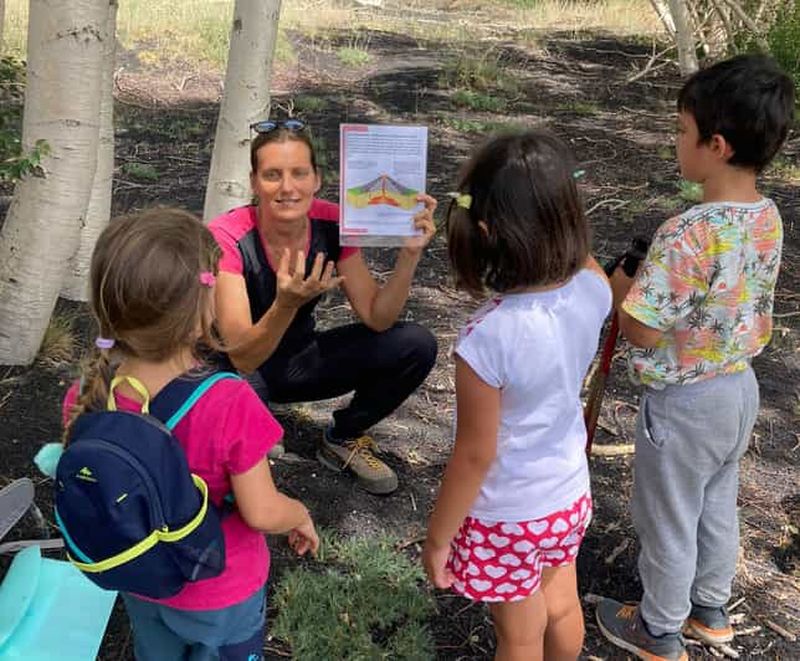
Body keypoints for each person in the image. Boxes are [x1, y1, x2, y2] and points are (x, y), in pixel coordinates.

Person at [595, 54, 795, 661]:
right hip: (738, 390)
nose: (675, 143)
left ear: (716, 144)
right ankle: (710, 608)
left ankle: (657, 629)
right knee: (715, 501)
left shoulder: (688, 232)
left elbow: (643, 332)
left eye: (681, 132)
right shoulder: (767, 216)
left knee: (668, 516)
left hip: (683, 403)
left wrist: (622, 291)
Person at [62, 208, 319, 660]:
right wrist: (298, 514)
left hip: (142, 576)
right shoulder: (227, 402)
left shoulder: (88, 392)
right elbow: (260, 512)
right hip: (221, 589)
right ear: (202, 311)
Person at [422, 131, 612, 661]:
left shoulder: (487, 340)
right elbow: (583, 257)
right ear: (568, 218)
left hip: (508, 513)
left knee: (519, 633)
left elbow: (475, 454)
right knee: (562, 604)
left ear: (485, 233)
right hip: (567, 495)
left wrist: (440, 536)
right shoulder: (592, 290)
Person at [209, 119, 438, 496]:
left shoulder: (333, 222)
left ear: (317, 179)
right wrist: (286, 305)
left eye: (299, 173)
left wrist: (409, 256)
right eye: (272, 175)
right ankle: (251, 434)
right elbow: (242, 356)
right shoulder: (228, 236)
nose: (287, 187)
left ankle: (342, 437)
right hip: (234, 370)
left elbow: (377, 318)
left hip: (299, 361)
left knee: (415, 343)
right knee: (257, 450)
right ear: (253, 182)